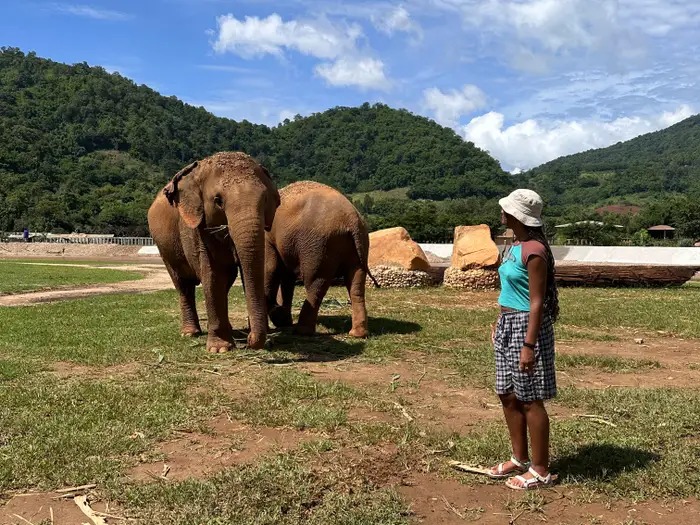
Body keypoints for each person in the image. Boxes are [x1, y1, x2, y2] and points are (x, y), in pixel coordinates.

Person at [488, 189, 559, 490]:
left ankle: (540, 470)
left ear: (518, 216)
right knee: (507, 393)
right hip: (508, 324)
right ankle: (519, 459)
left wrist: (528, 345)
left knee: (530, 398)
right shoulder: (515, 246)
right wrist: (499, 324)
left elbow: (536, 301)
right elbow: (510, 291)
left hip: (527, 327)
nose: (501, 213)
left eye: (505, 210)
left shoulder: (534, 251)